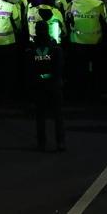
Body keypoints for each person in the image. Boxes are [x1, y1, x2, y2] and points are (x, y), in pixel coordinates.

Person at [29, 20, 66, 152]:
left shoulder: (32, 49)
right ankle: (60, 142)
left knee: (40, 115)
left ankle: (41, 142)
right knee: (58, 115)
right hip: (53, 84)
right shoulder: (55, 47)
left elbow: (29, 69)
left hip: (39, 84)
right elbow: (60, 67)